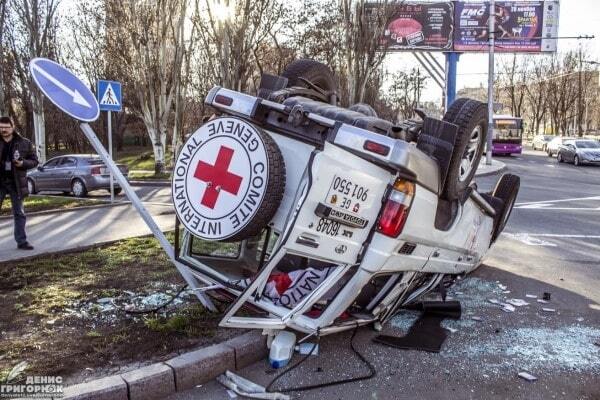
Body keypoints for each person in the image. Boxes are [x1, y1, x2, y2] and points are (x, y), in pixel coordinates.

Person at [0, 116, 39, 250]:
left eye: (6, 127)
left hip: (16, 182)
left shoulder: (24, 142)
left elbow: (34, 161)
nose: (3, 130)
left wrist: (23, 163)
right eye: (1, 127)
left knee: (19, 213)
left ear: (13, 127)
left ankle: (22, 241)